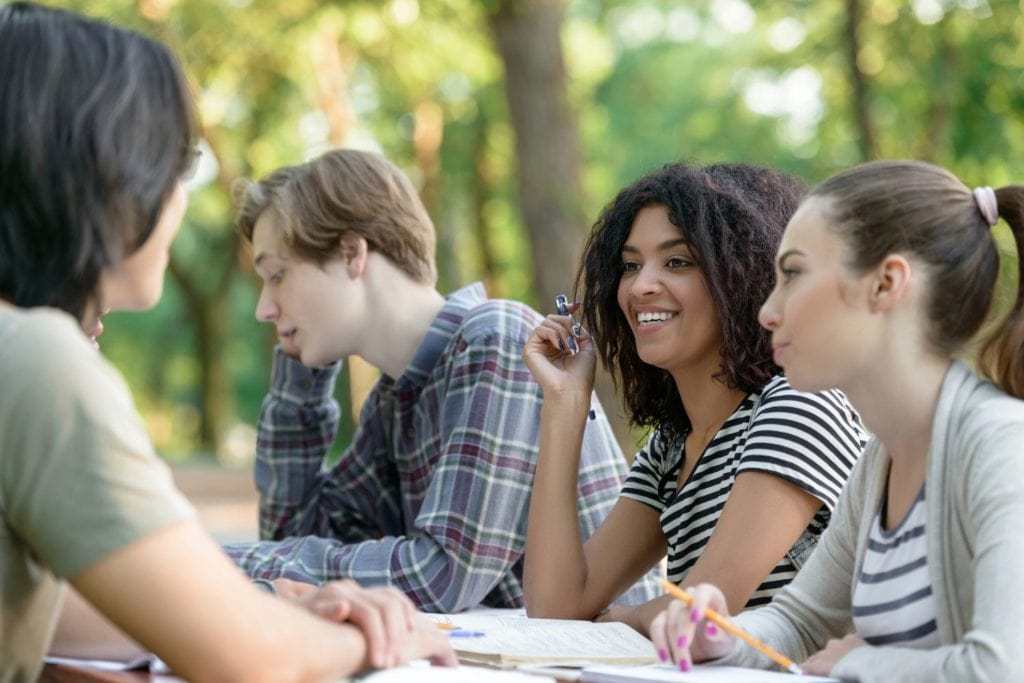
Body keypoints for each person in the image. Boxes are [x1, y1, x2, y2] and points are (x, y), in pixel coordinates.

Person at [0, 4, 454, 681]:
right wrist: (378, 640)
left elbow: (58, 604)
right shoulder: (33, 358)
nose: (181, 197)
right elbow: (248, 660)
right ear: (105, 175)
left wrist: (267, 606)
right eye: (172, 164)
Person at [224, 148, 661, 612]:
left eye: (277, 275)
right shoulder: (395, 400)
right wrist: (301, 383)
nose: (263, 309)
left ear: (352, 254)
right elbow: (297, 540)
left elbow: (442, 576)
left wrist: (223, 562)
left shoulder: (497, 340)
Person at [651, 160, 1024, 681]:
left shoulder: (1003, 446)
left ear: (886, 283)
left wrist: (860, 663)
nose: (767, 311)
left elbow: (1004, 668)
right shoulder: (882, 461)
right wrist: (719, 636)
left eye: (793, 274)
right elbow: (801, 622)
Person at [521, 162, 867, 636]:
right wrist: (565, 400)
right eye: (630, 265)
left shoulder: (799, 404)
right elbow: (555, 605)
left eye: (678, 262)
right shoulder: (672, 446)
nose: (641, 285)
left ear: (742, 276)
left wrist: (624, 617)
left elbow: (703, 613)